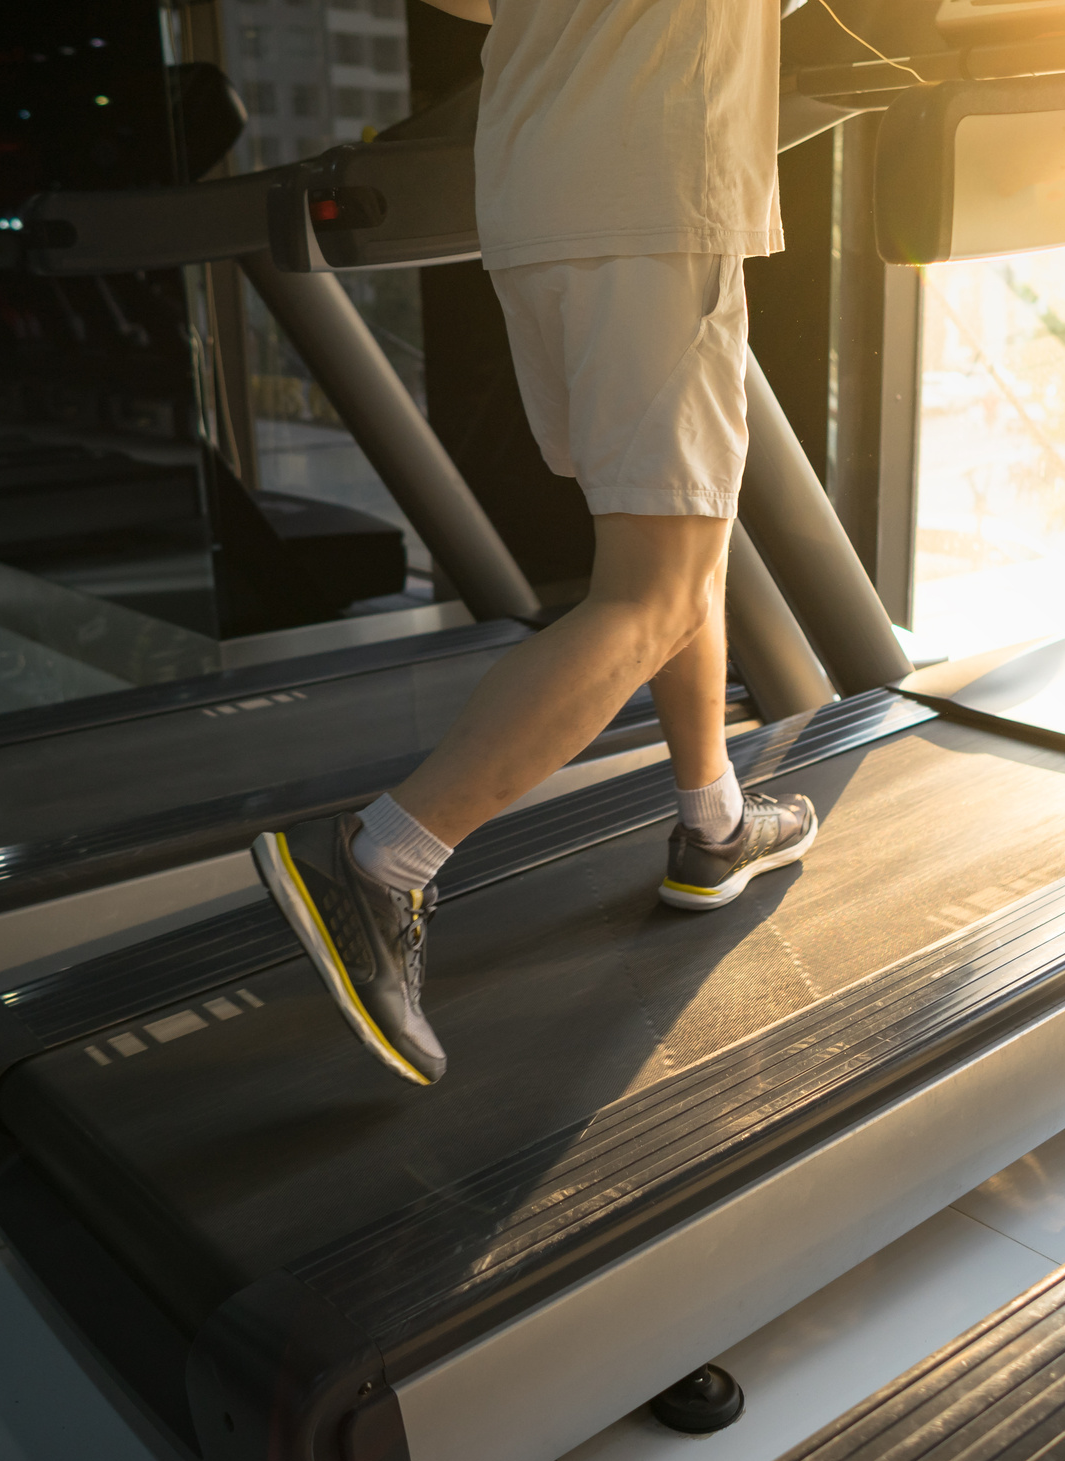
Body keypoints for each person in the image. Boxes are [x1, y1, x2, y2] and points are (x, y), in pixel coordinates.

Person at [255, 0, 818, 1086]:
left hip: (531, 208)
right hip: (655, 203)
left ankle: (715, 824)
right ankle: (380, 861)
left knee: (670, 554)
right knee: (653, 587)